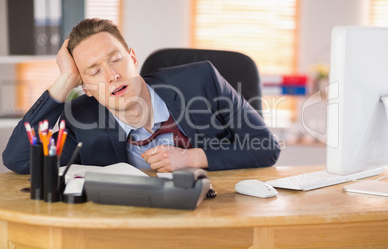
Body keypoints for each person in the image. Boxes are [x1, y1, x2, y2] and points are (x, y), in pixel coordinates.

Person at [2, 18, 280, 174]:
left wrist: (193, 157)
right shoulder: (81, 117)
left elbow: (266, 147)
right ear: (85, 87)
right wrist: (64, 81)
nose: (112, 76)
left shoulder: (201, 79)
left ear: (133, 58)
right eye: (94, 71)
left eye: (116, 60)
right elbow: (19, 160)